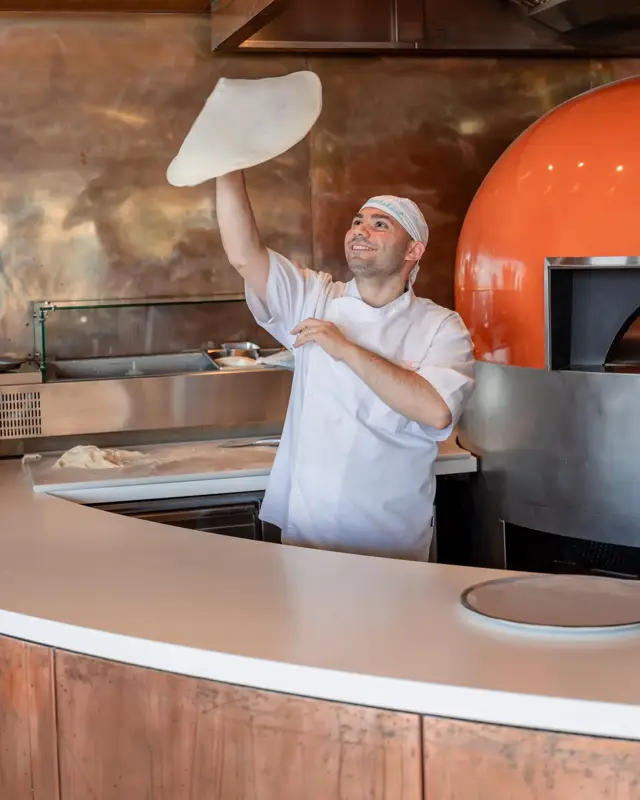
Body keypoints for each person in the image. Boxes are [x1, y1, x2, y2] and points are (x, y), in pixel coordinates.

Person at [216, 170, 475, 562]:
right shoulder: (314, 297)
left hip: (392, 539)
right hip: (311, 534)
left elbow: (436, 411)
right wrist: (228, 169)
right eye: (357, 221)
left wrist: (345, 348)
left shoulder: (440, 326)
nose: (360, 230)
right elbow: (243, 255)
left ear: (413, 251)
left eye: (379, 224)